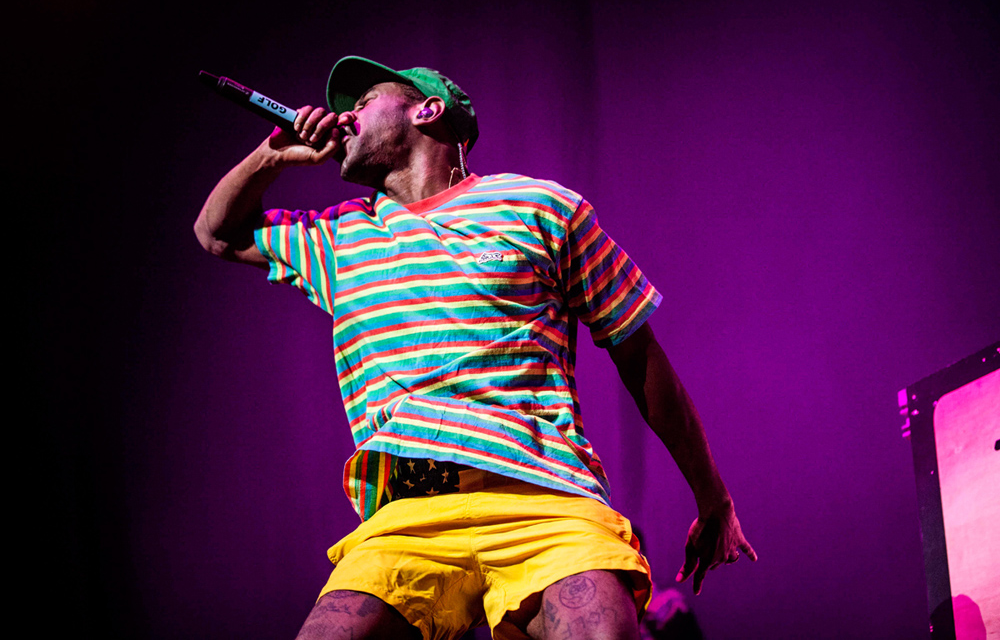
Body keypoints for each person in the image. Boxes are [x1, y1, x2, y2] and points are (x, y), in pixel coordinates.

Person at [195, 56, 756, 640]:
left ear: (427, 110)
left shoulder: (539, 206)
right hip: (408, 512)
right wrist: (273, 156)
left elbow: (638, 353)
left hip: (546, 496)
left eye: (362, 103)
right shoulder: (336, 235)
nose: (343, 116)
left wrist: (712, 496)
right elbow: (216, 234)